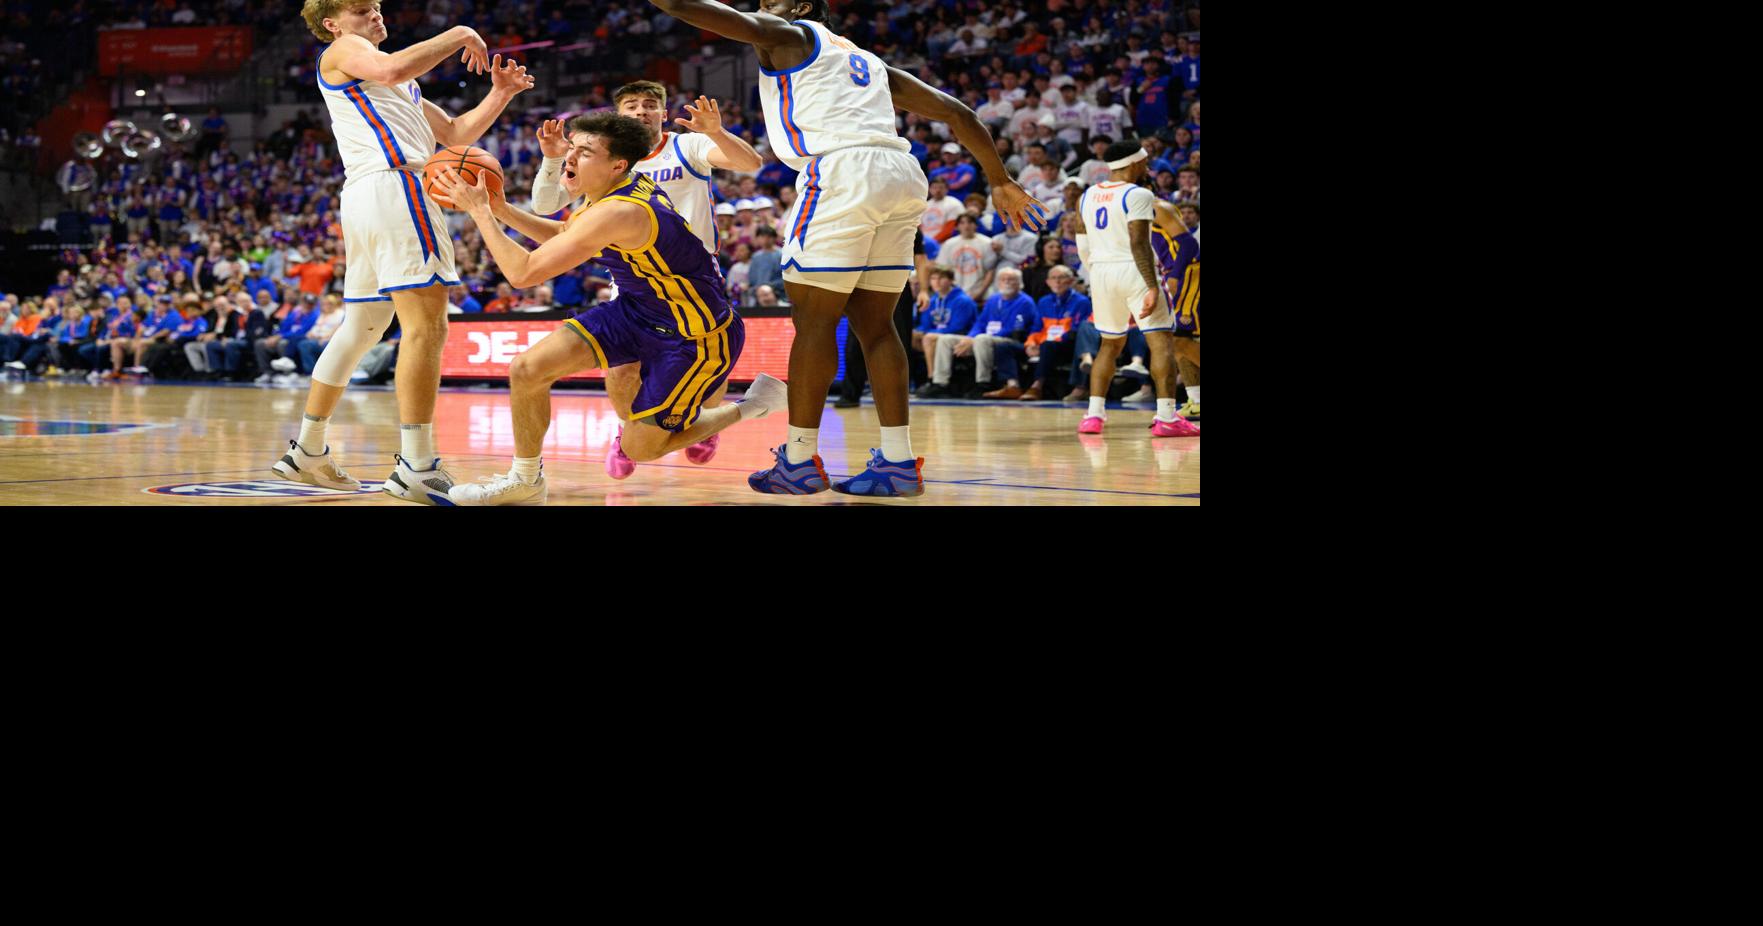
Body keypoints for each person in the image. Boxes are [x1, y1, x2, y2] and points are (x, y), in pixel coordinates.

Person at [647, 0, 1046, 497]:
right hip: (901, 174)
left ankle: (797, 460)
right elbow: (956, 112)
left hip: (842, 172)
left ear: (801, 7)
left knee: (814, 323)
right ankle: (897, 462)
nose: (762, 8)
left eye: (773, 2)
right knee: (876, 327)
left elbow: (708, 15)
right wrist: (999, 179)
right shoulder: (869, 63)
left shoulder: (790, 34)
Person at [434, 113, 788, 504]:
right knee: (527, 369)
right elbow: (568, 234)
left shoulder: (620, 211)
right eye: (572, 148)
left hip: (694, 335)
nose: (570, 158)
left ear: (617, 164)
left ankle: (753, 405)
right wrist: (501, 208)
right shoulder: (612, 192)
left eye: (584, 152)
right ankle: (526, 480)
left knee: (642, 448)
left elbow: (523, 273)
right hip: (638, 310)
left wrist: (480, 212)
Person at [272, 1, 528, 504]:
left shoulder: (397, 82)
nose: (375, 16)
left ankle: (308, 449)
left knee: (363, 327)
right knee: (427, 325)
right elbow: (392, 65)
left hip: (370, 196)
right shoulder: (347, 50)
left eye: (377, 8)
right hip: (398, 188)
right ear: (333, 24)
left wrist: (499, 94)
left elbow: (454, 135)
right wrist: (458, 32)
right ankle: (417, 465)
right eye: (363, 9)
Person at [532, 80, 763, 478]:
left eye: (650, 104)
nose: (641, 111)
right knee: (621, 370)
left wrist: (715, 132)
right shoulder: (608, 158)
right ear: (619, 117)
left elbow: (751, 164)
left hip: (692, 277)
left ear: (663, 112)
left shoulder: (685, 146)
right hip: (633, 275)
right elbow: (545, 204)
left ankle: (706, 420)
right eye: (632, 106)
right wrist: (553, 162)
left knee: (705, 364)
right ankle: (627, 431)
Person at [1073, 139, 1196, 437]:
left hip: (1100, 272)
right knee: (1161, 342)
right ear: (1133, 163)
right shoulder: (1137, 193)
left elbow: (1082, 245)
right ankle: (1167, 418)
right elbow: (1139, 242)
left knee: (1109, 344)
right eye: (1144, 161)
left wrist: (1098, 275)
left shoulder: (1087, 195)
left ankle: (1093, 416)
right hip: (1134, 270)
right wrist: (1151, 285)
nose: (1147, 166)